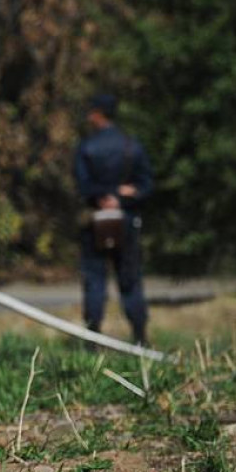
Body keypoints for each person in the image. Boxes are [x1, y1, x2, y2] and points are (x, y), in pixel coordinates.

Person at [75, 93, 154, 345]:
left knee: (95, 280)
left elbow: (83, 186)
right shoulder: (132, 146)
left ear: (98, 113)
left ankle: (92, 339)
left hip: (97, 220)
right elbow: (146, 186)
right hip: (127, 219)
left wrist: (103, 196)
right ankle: (139, 337)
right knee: (130, 280)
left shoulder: (86, 147)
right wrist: (121, 196)